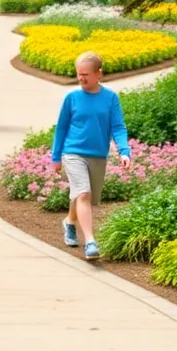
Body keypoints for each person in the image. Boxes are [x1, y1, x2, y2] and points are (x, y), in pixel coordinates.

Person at [50, 51, 131, 260]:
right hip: (73, 153)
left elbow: (118, 127)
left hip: (98, 155)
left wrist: (124, 151)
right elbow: (61, 128)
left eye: (86, 74)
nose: (81, 78)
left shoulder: (111, 98)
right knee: (83, 193)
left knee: (83, 196)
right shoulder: (72, 98)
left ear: (98, 74)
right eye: (79, 74)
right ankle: (91, 242)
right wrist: (56, 157)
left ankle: (69, 221)